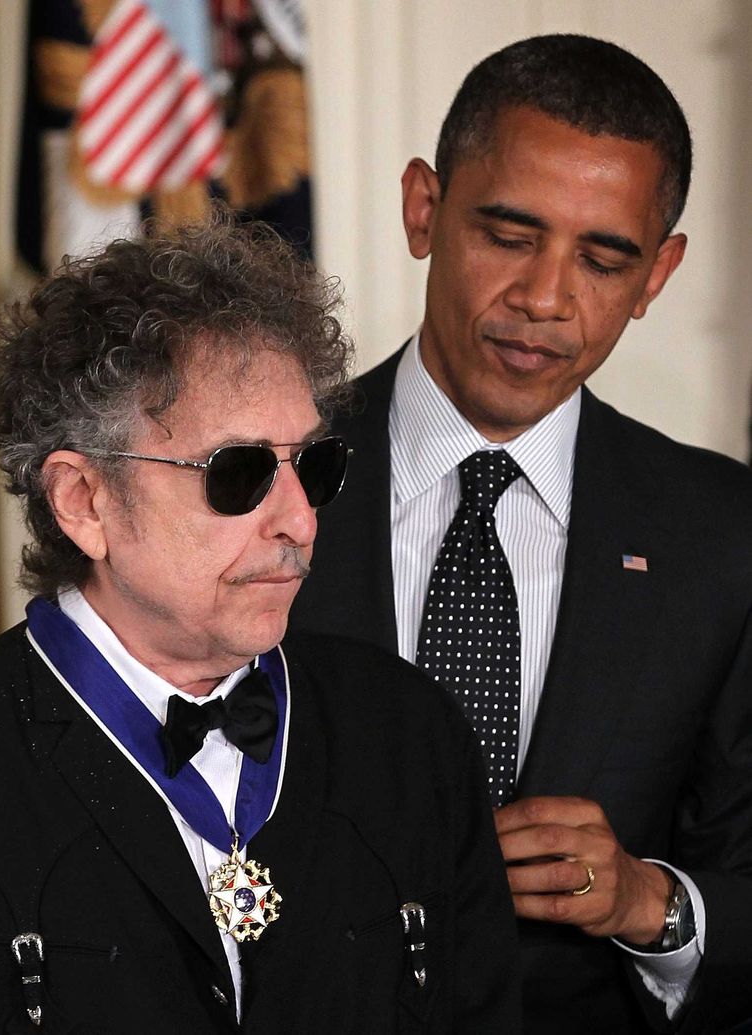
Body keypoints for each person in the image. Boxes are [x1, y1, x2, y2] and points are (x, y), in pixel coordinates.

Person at [0, 216, 521, 1033]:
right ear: (84, 501)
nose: (300, 521)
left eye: (314, 464)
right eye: (238, 473)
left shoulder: (409, 730)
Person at [290, 34, 752, 1035]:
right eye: (507, 234)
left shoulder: (723, 538)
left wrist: (650, 902)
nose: (544, 299)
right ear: (423, 208)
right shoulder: (259, 479)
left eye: (601, 257)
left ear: (656, 275)